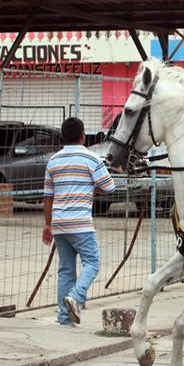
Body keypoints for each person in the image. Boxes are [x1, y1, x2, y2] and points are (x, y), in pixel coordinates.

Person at [42, 117, 115, 325]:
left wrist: (47, 224)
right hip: (81, 223)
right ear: (83, 136)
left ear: (63, 137)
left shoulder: (53, 160)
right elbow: (109, 187)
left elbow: (48, 196)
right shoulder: (91, 159)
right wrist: (92, 187)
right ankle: (76, 297)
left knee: (66, 270)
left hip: (59, 224)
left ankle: (64, 318)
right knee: (92, 263)